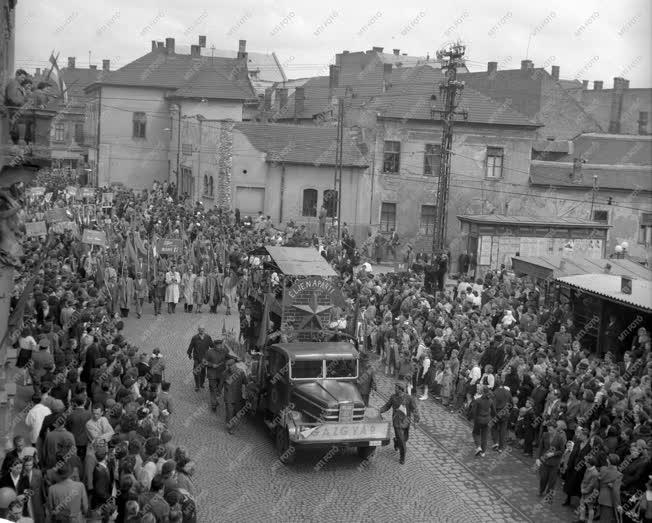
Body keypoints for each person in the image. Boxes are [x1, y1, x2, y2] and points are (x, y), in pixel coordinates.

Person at [379, 382, 420, 464]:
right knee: (402, 441)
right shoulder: (393, 397)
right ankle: (402, 457)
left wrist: (416, 421)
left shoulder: (409, 398)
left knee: (405, 438)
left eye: (396, 388)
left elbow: (415, 410)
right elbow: (387, 406)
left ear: (400, 389)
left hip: (406, 422)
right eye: (395, 387)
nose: (394, 389)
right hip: (397, 422)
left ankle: (396, 441)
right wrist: (379, 411)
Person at [223, 355, 247, 434]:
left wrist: (245, 394)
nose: (230, 368)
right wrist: (218, 392)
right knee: (230, 412)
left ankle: (231, 421)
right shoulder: (225, 373)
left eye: (231, 366)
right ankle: (230, 427)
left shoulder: (241, 372)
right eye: (228, 366)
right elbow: (220, 385)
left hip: (237, 396)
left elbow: (245, 383)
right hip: (229, 397)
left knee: (237, 412)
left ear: (235, 365)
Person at [471, 385, 496, 457]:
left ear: (482, 392)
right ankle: (483, 452)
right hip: (488, 420)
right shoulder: (490, 400)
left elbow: (473, 412)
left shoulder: (478, 400)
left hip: (479, 420)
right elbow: (494, 412)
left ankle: (478, 447)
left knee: (475, 433)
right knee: (484, 436)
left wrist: (474, 419)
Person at [203, 338, 228, 411]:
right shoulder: (209, 352)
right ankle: (214, 405)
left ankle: (216, 400)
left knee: (219, 390)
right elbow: (204, 362)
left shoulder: (224, 351)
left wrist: (236, 358)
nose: (220, 346)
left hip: (221, 375)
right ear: (215, 345)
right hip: (212, 375)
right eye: (218, 345)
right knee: (213, 390)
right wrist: (211, 365)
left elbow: (228, 356)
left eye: (221, 345)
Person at [187, 326, 212, 392]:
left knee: (203, 372)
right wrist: (189, 353)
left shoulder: (208, 337)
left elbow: (212, 346)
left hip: (204, 359)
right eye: (200, 329)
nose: (201, 330)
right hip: (197, 358)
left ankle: (201, 383)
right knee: (196, 372)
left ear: (204, 330)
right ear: (198, 330)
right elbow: (191, 346)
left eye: (203, 329)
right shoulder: (195, 338)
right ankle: (197, 385)